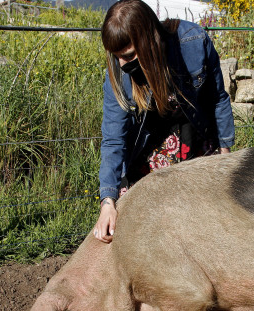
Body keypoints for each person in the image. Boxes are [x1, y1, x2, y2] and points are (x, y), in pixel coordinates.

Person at [92, 0, 235, 243]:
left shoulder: (194, 42)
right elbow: (114, 139)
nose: (123, 65)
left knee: (204, 220)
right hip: (150, 146)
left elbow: (218, 98)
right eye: (118, 58)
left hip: (196, 136)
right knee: (141, 226)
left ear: (149, 40)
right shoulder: (118, 73)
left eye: (129, 55)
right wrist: (108, 201)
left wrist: (225, 153)